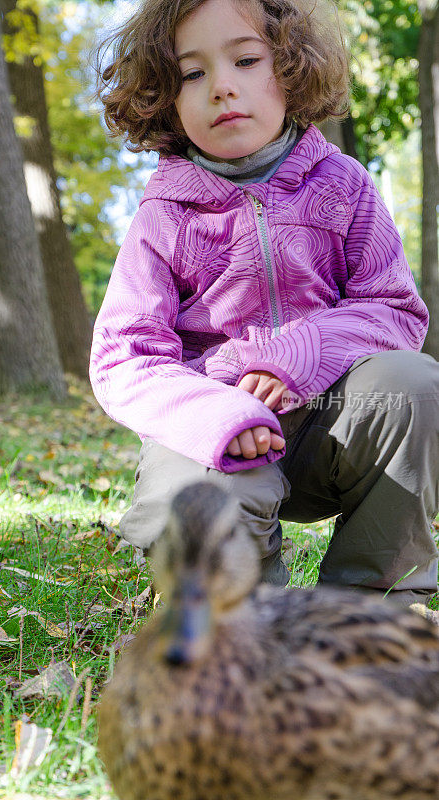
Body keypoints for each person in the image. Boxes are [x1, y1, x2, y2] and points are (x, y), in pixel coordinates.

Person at [90, 0, 439, 602]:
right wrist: (215, 416)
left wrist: (299, 354)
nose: (223, 87)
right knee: (194, 502)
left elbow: (395, 312)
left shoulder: (345, 186)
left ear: (292, 68)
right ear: (165, 96)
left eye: (247, 60)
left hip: (329, 424)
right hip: (215, 443)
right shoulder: (164, 215)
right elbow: (125, 357)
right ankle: (242, 623)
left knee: (416, 384)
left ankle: (362, 613)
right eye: (191, 73)